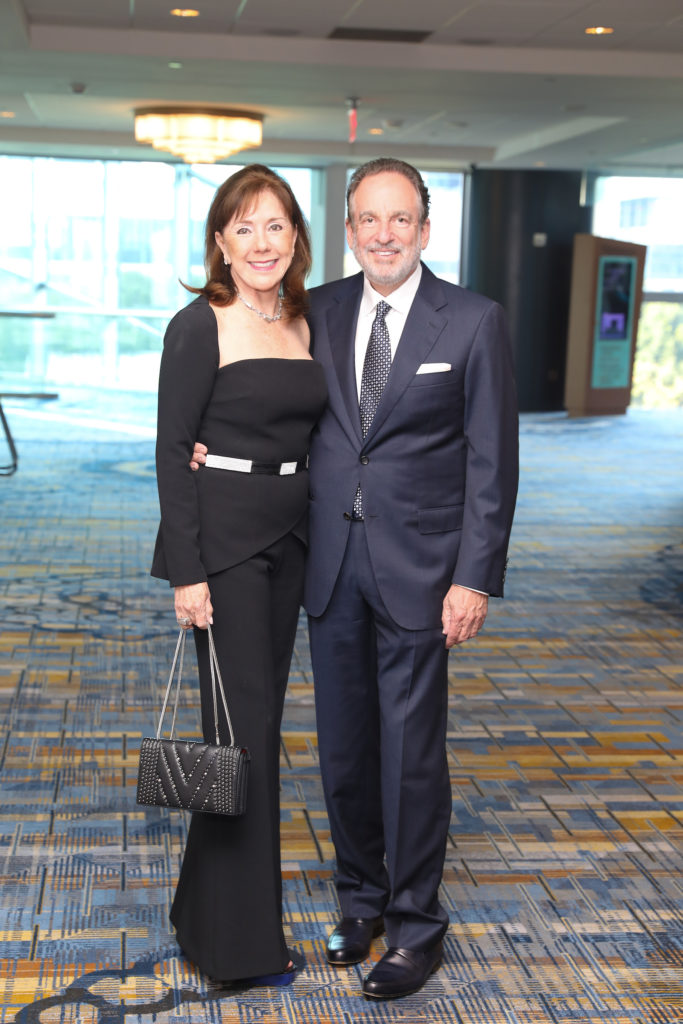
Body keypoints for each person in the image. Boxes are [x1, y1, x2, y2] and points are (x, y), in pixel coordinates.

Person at [193, 157, 518, 999]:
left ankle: (414, 929)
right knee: (342, 752)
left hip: (424, 571)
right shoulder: (319, 309)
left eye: (399, 219)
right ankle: (361, 901)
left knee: (410, 756)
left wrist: (474, 578)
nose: (382, 234)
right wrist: (212, 456)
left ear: (423, 227)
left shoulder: (474, 322)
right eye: (367, 220)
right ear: (346, 228)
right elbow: (267, 405)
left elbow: (492, 464)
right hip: (327, 565)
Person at [151, 164, 327, 985]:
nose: (261, 243)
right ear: (220, 242)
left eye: (276, 226)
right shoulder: (199, 323)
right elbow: (170, 447)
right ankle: (238, 947)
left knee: (245, 737)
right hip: (221, 552)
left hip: (290, 542)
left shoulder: (304, 319)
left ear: (296, 237)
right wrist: (187, 572)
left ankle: (200, 911)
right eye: (244, 227)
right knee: (243, 738)